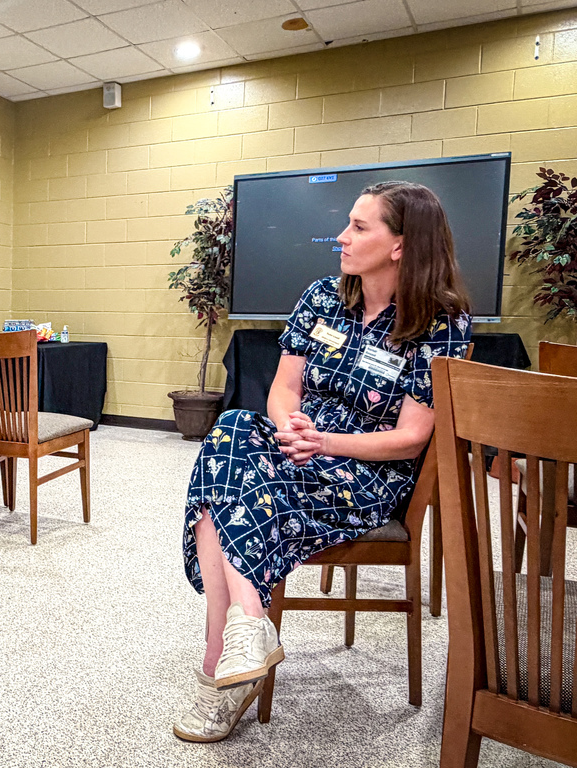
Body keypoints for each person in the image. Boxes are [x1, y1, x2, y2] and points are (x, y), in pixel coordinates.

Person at [173, 181, 472, 742]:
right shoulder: (322, 298)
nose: (342, 237)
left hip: (367, 472)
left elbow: (411, 438)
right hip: (301, 447)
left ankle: (221, 670)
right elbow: (283, 391)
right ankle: (249, 627)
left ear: (401, 245)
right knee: (236, 428)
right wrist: (292, 430)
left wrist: (327, 444)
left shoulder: (441, 323)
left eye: (360, 227)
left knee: (222, 497)